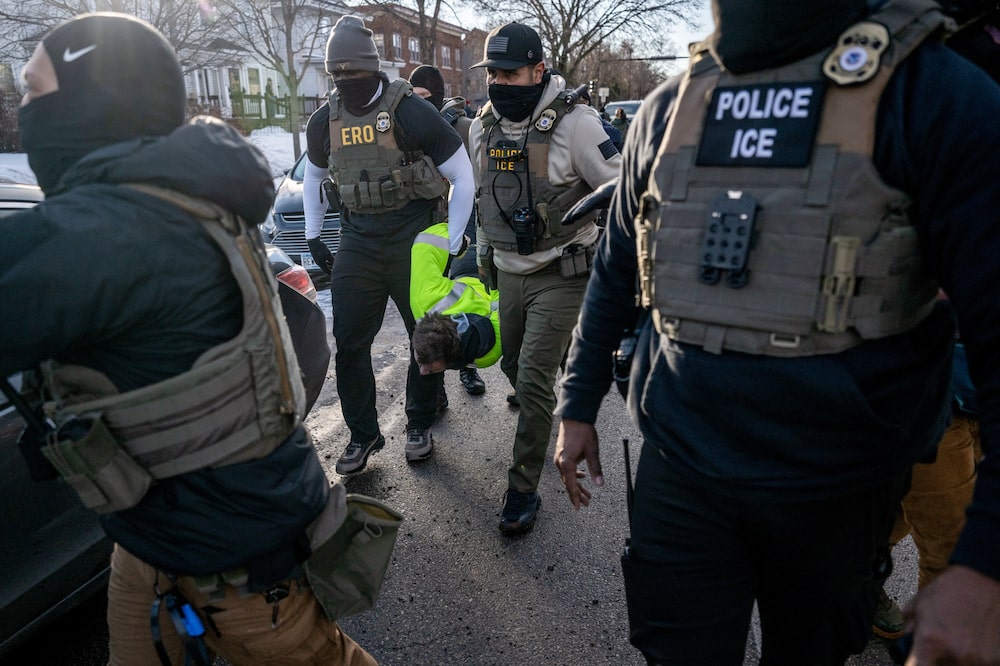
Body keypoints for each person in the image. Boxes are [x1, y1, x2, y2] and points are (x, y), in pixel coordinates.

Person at [553, 0, 1000, 663]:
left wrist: (984, 563)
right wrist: (577, 404)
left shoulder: (929, 92)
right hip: (681, 469)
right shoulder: (669, 107)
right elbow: (617, 271)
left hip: (836, 487)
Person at [3, 13, 375, 665]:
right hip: (153, 539)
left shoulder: (110, 229)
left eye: (34, 91)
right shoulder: (173, 196)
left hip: (239, 564)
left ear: (90, 103)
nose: (21, 108)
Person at [303, 16, 475, 473]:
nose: (346, 81)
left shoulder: (409, 111)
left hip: (411, 236)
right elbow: (314, 177)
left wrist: (453, 240)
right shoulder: (325, 120)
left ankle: (418, 423)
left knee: (426, 334)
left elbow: (462, 174)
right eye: (337, 74)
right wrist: (315, 235)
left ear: (373, 67)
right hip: (358, 239)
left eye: (353, 72)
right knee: (349, 342)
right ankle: (363, 435)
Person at [468, 22, 621, 534]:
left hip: (563, 270)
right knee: (514, 366)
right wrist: (484, 253)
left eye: (510, 74)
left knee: (533, 382)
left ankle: (522, 488)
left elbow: (624, 189)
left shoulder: (577, 125)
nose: (499, 83)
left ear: (538, 71)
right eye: (492, 74)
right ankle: (561, 386)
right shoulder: (482, 128)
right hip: (509, 272)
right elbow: (484, 198)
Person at [408, 64, 488, 396]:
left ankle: (466, 367)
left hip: (462, 222)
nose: (419, 101)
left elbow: (478, 178)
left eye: (425, 95)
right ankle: (434, 389)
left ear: (438, 95)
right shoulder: (409, 127)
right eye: (415, 95)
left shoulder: (466, 128)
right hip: (426, 225)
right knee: (429, 310)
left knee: (463, 296)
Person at [409, 221, 501, 377]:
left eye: (424, 365)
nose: (422, 372)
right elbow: (504, 301)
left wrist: (457, 241)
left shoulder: (424, 301)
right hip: (495, 272)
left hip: (469, 265)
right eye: (429, 368)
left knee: (478, 213)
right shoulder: (487, 355)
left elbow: (426, 243)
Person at [578, 86, 624, 153]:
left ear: (586, 102)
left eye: (579, 101)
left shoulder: (593, 115)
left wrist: (595, 128)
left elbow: (616, 135)